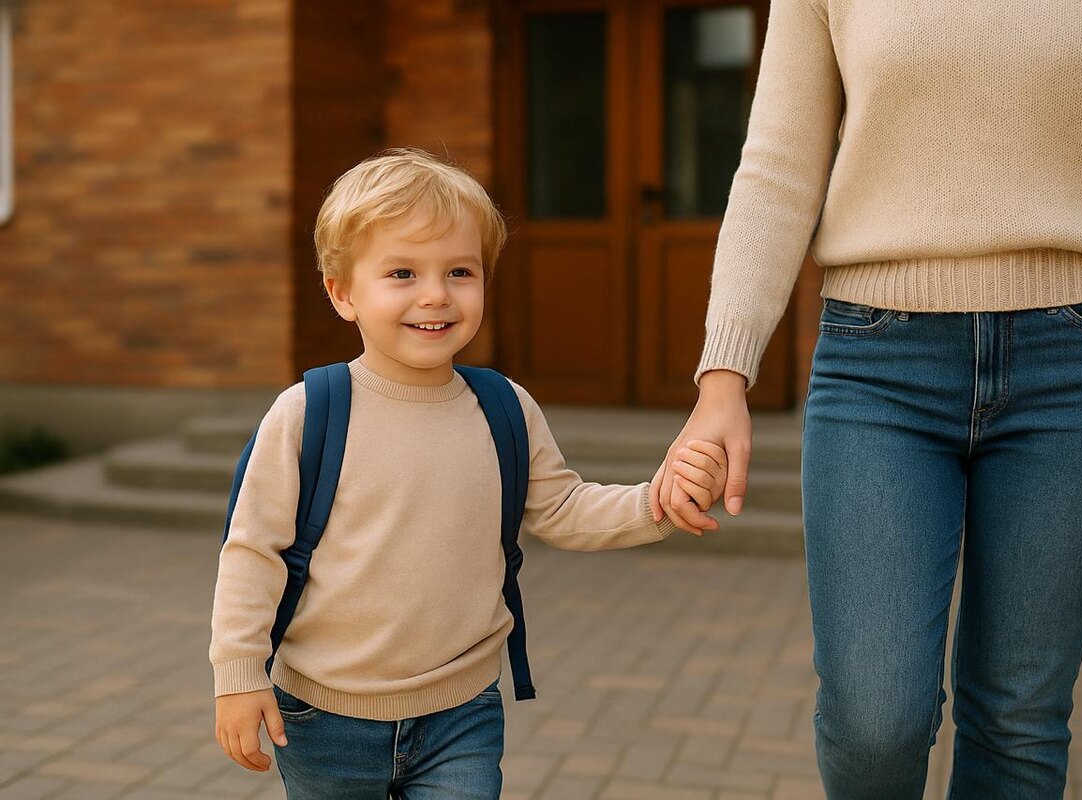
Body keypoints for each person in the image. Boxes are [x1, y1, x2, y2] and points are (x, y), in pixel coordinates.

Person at [651, 2, 1082, 797]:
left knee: (1018, 721)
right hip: (879, 365)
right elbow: (778, 165)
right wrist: (723, 378)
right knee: (875, 723)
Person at [209, 148, 727, 799]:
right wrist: (238, 676)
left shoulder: (503, 407)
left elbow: (562, 508)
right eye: (402, 272)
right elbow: (253, 551)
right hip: (323, 715)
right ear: (342, 293)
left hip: (461, 713)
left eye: (460, 271)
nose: (436, 294)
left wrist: (659, 501)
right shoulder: (308, 412)